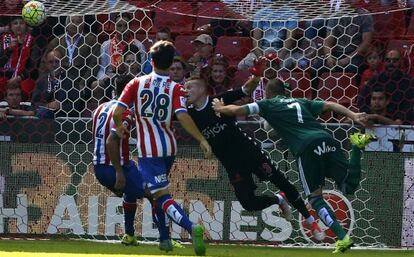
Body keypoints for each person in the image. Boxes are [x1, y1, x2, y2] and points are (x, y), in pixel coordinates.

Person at [212, 78, 376, 253]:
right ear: (284, 92)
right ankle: (357, 147)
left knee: (315, 198)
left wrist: (220, 108)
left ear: (268, 93)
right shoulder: (300, 101)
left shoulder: (266, 104)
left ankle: (343, 238)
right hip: (327, 139)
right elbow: (329, 104)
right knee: (348, 185)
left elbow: (237, 110)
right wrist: (353, 115)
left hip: (306, 147)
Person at [185, 58, 324, 240]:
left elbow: (245, 90)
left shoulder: (218, 101)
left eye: (190, 88)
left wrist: (257, 75)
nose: (186, 91)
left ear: (202, 89)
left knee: (280, 180)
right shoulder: (188, 114)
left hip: (250, 153)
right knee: (248, 203)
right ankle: (278, 200)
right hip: (232, 164)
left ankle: (309, 219)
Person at [112, 40, 212, 256]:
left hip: (149, 150)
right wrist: (201, 139)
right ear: (170, 64)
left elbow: (117, 113)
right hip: (169, 146)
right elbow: (182, 116)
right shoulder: (176, 88)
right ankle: (165, 239)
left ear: (151, 61)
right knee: (159, 193)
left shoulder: (136, 83)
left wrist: (120, 128)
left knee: (161, 196)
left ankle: (191, 227)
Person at [92, 74, 145, 246]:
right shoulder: (126, 113)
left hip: (99, 165)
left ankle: (129, 235)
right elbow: (110, 141)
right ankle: (165, 239)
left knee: (131, 192)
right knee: (155, 193)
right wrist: (119, 172)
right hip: (114, 167)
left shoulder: (100, 108)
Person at [357, 49, 414, 124]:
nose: (391, 63)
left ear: (400, 62)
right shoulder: (376, 79)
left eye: (395, 61)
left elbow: (410, 104)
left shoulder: (408, 81)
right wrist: (369, 114)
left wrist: (400, 118)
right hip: (375, 120)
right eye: (388, 60)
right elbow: (362, 99)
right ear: (384, 61)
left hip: (400, 122)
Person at [96, 13, 146, 80]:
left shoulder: (139, 46)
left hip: (132, 79)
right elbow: (102, 70)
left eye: (126, 25)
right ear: (115, 27)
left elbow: (141, 71)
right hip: (110, 79)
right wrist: (107, 78)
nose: (123, 29)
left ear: (130, 26)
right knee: (96, 85)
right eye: (119, 26)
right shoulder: (106, 45)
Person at [31, 49, 63, 118]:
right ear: (46, 64)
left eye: (57, 61)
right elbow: (34, 104)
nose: (54, 65)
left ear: (62, 62)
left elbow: (76, 105)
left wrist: (61, 106)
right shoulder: (41, 81)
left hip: (64, 118)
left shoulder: (70, 80)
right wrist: (47, 106)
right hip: (44, 119)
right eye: (51, 62)